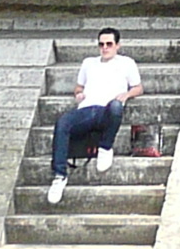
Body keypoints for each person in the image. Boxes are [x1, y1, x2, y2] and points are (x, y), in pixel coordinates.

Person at [46, 28, 144, 206]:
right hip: (87, 108)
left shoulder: (127, 63)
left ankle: (105, 147)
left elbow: (138, 87)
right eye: (101, 44)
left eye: (109, 44)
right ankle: (60, 175)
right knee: (63, 122)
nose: (105, 48)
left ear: (117, 45)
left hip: (108, 108)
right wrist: (78, 94)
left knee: (115, 107)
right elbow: (78, 87)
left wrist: (126, 95)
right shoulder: (88, 63)